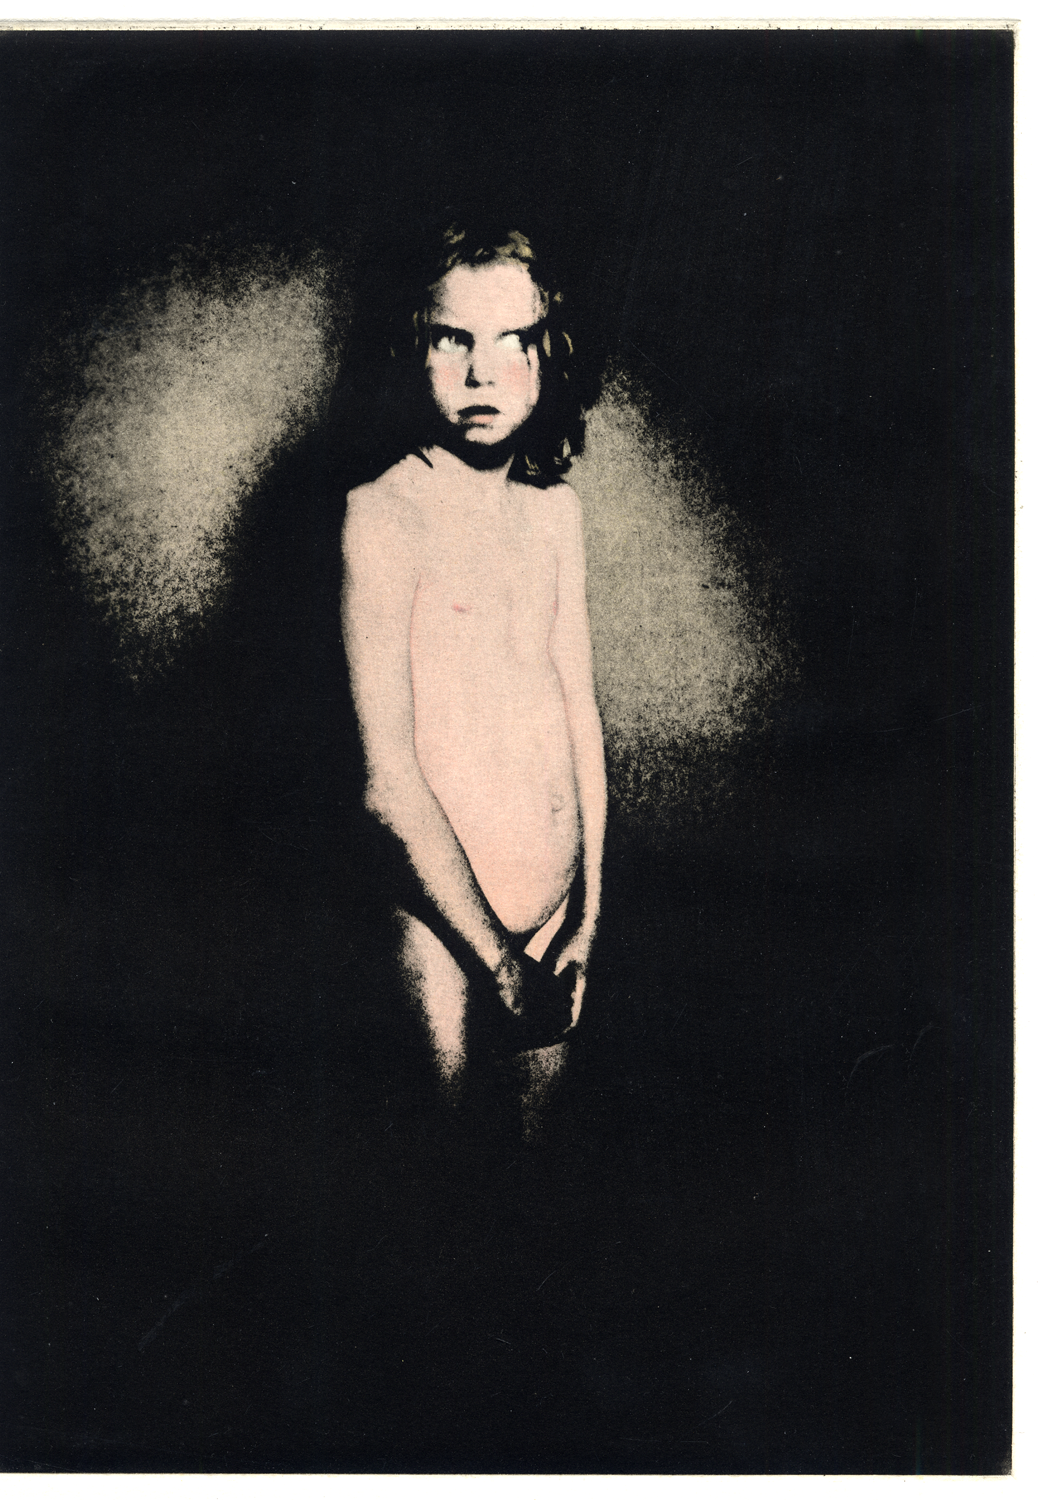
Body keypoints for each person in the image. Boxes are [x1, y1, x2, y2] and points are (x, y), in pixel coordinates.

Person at [340, 224, 606, 1128]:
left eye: (512, 340)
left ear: (548, 355)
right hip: (441, 925)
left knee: (536, 1171)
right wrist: (498, 963)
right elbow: (386, 783)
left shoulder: (555, 515)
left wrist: (587, 920)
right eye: (453, 338)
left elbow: (580, 719)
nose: (482, 372)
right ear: (411, 348)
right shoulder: (383, 516)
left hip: (555, 918)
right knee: (443, 1169)